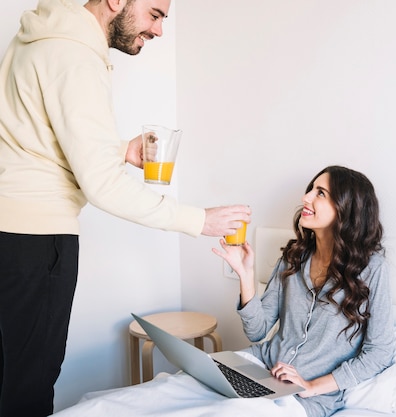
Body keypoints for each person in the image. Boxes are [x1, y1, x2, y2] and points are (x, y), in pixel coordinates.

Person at [0, 0, 251, 416]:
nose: (159, 31)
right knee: (29, 387)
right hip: (37, 240)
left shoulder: (39, 40)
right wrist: (199, 220)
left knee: (10, 377)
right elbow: (103, 186)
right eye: (155, 13)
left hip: (9, 232)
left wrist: (117, 150)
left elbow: (36, 140)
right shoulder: (77, 55)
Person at [213, 166, 395, 417]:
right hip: (260, 364)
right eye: (310, 189)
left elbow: (380, 352)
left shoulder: (372, 269)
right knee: (184, 389)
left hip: (305, 397)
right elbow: (258, 331)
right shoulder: (293, 257)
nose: (305, 198)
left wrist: (312, 386)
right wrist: (246, 275)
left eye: (320, 193)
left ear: (346, 209)